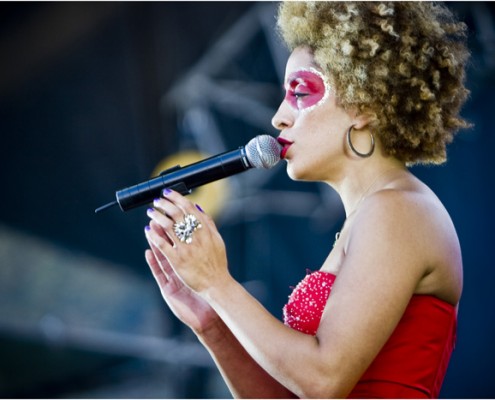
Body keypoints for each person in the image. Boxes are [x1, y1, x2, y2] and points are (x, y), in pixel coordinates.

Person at [143, 2, 471, 398]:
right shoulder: (371, 216)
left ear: (362, 104)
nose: (278, 117)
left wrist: (218, 283)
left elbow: (323, 380)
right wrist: (212, 322)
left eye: (299, 92)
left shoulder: (399, 209)